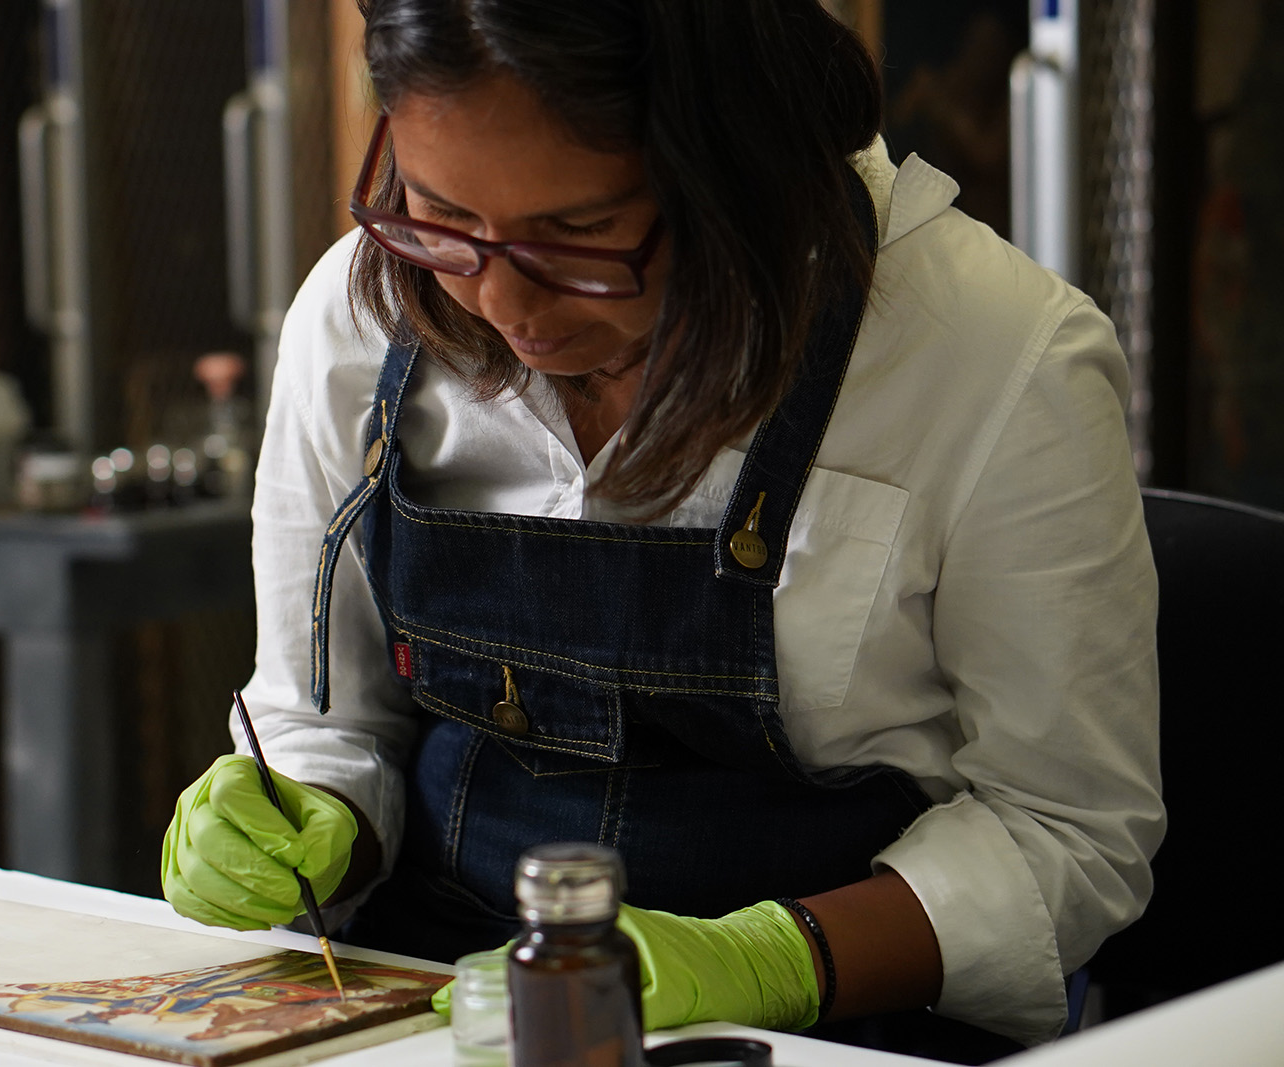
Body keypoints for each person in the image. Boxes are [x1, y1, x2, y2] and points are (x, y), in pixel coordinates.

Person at [162, 1, 1163, 1061]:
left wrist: (765, 962)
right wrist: (305, 816)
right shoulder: (359, 316)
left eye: (579, 233)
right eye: (438, 212)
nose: (501, 300)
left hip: (836, 1022)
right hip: (433, 996)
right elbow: (325, 715)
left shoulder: (993, 356)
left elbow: (1069, 833)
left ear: (739, 164)